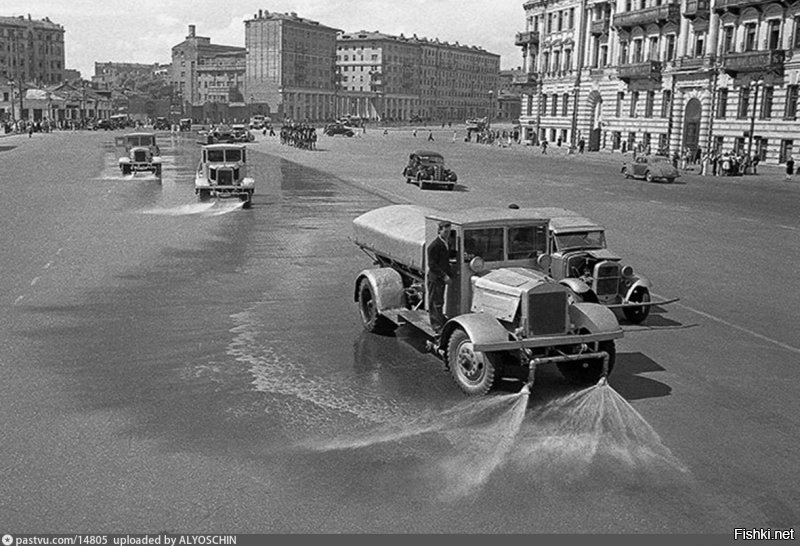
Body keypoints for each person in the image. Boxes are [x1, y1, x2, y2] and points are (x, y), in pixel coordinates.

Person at [427, 221, 453, 335]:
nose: (447, 234)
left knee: (440, 301)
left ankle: (440, 321)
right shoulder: (434, 246)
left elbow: (447, 255)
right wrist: (444, 275)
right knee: (435, 301)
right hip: (435, 278)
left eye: (449, 232)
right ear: (439, 231)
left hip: (440, 279)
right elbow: (432, 265)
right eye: (445, 232)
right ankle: (436, 326)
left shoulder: (446, 243)